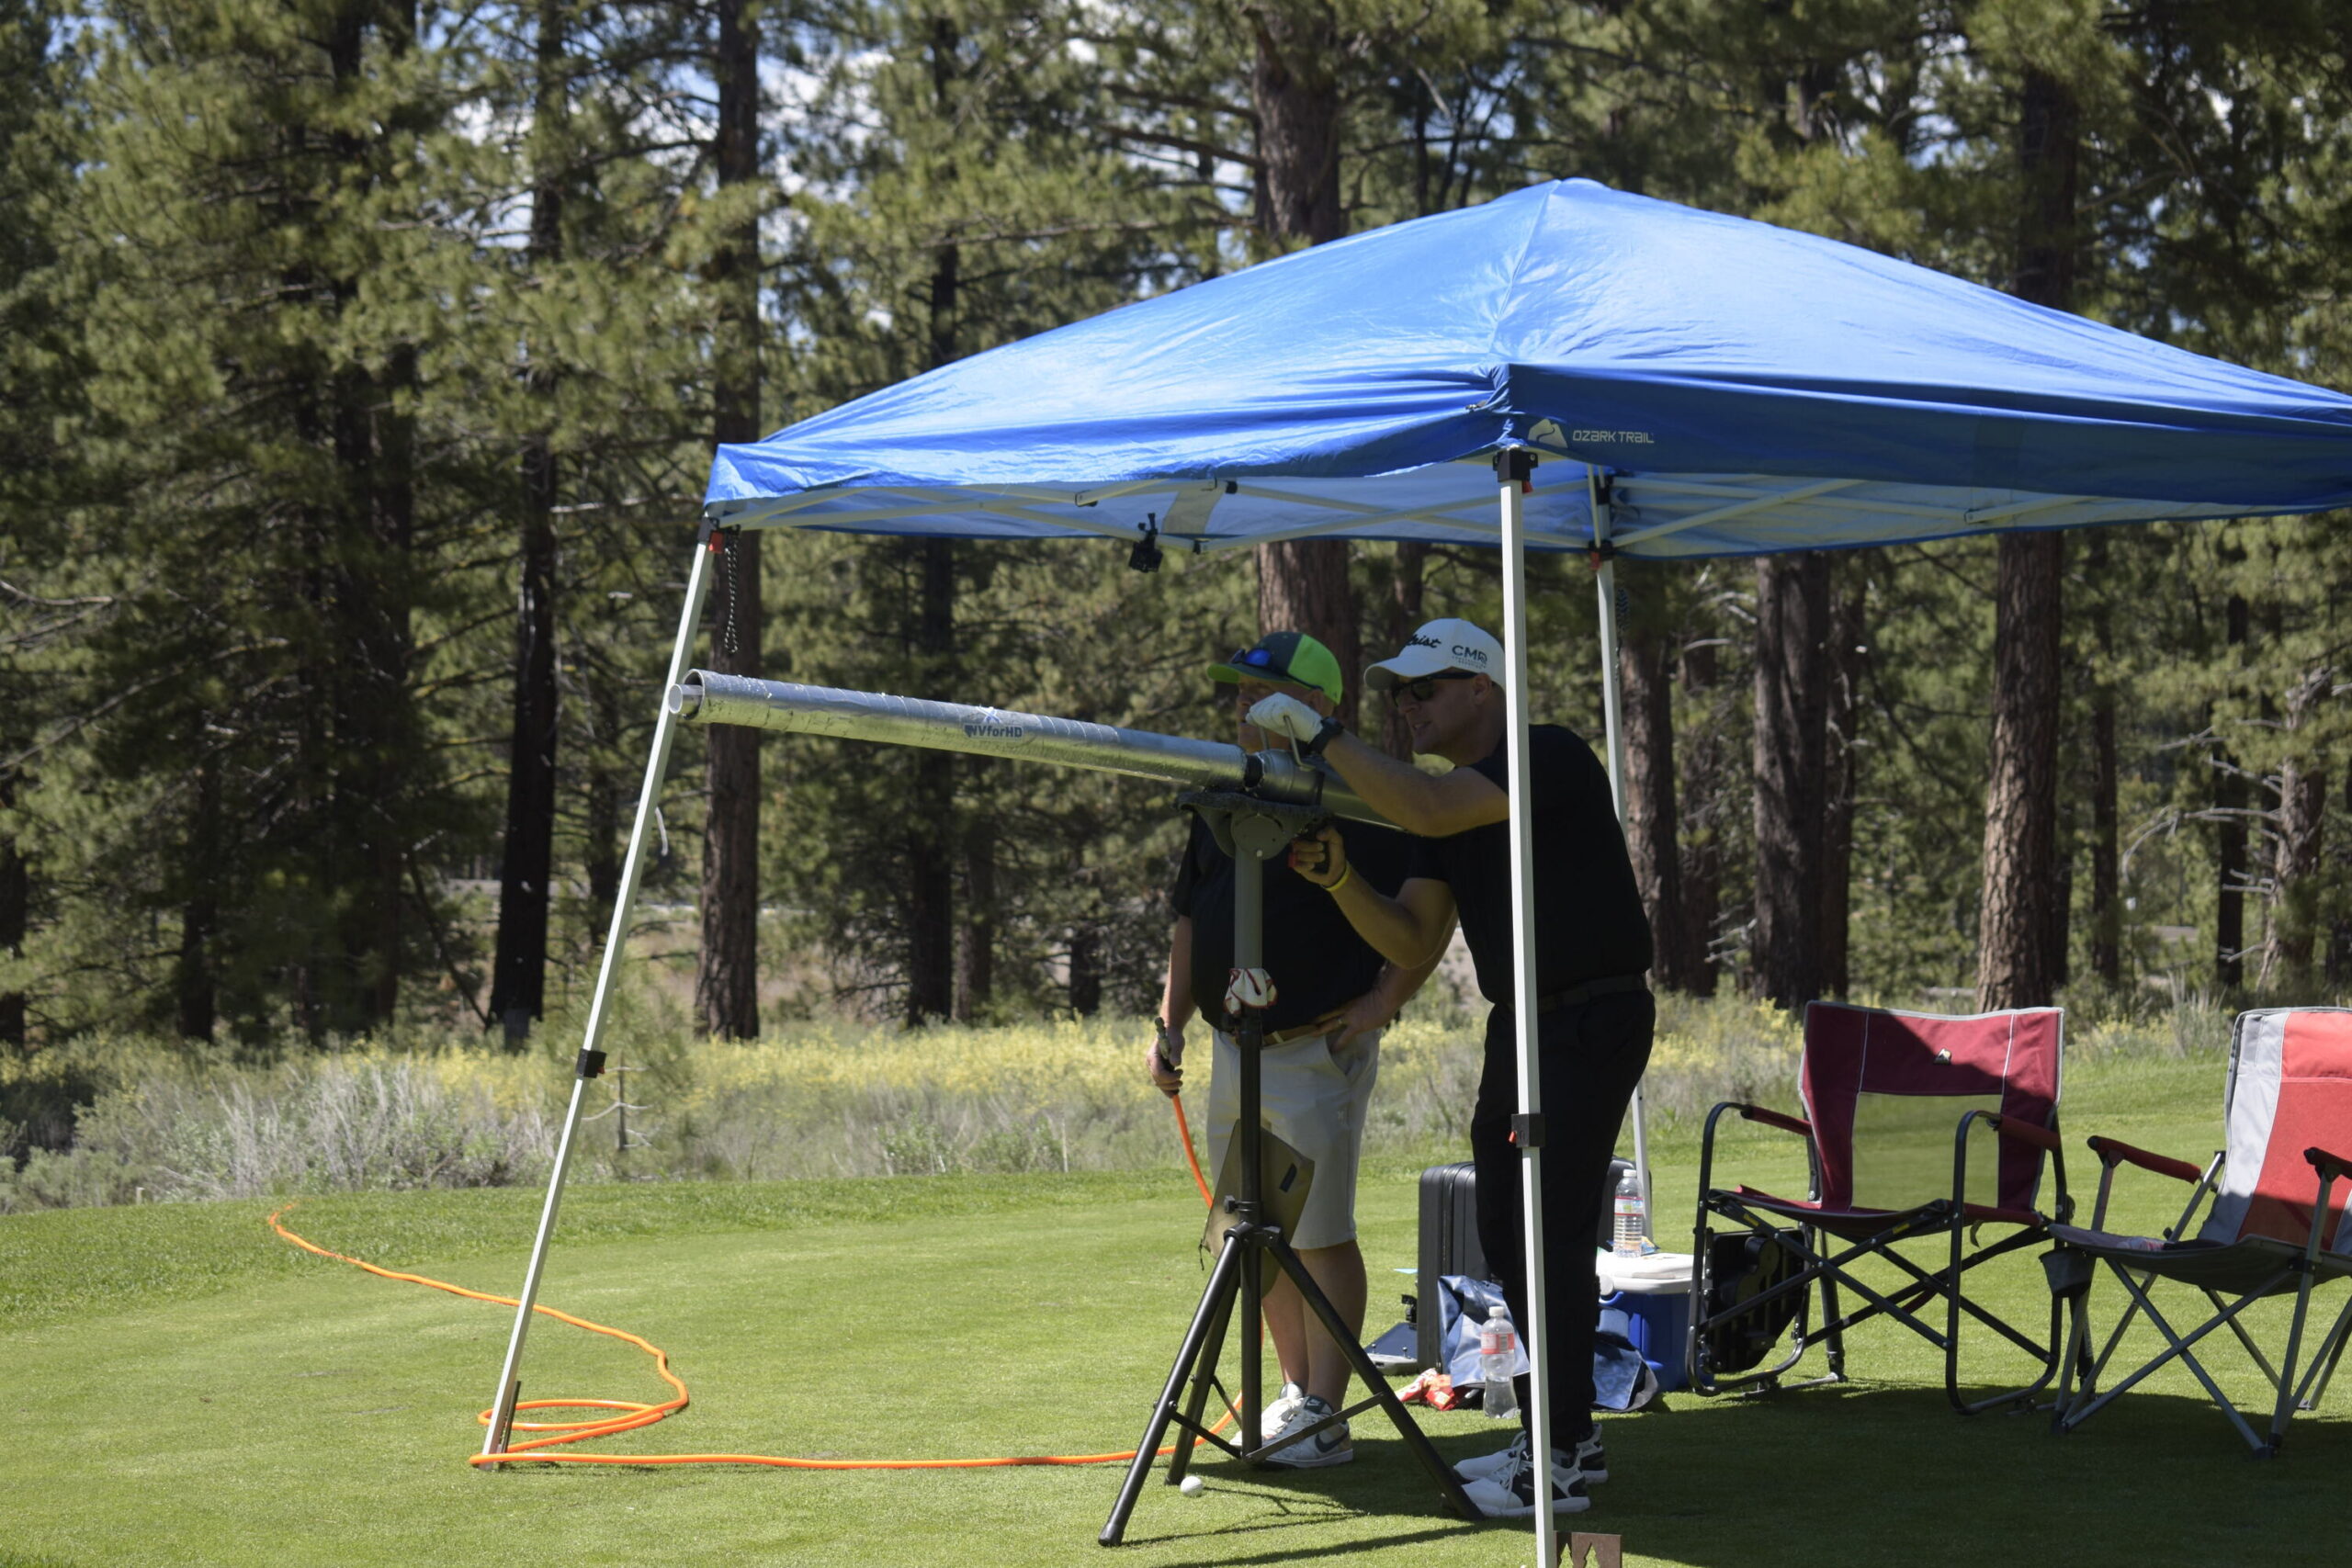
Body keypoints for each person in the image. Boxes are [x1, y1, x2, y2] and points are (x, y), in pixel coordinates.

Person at [1245, 616, 1653, 1518]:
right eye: (1400, 690)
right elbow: (1413, 939)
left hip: (1589, 1016)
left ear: (1482, 691)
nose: (1407, 704)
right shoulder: (1443, 801)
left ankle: (1562, 1453)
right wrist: (1340, 879)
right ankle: (1562, 1441)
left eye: (1424, 688)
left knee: (1545, 1235)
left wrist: (1322, 733)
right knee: (1510, 1233)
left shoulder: (1546, 754)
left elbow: (1425, 810)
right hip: (1525, 1028)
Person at [1146, 629, 1440, 1469]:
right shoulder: (1222, 791)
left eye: (1262, 693)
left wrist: (1386, 1000)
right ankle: (1294, 1388)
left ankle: (1327, 1413)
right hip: (1231, 1045)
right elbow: (1190, 917)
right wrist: (1168, 1023)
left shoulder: (1359, 796)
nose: (1243, 707)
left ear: (1319, 706)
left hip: (1315, 1047)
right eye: (1238, 693)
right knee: (1249, 1225)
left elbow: (1426, 917)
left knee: (1318, 1232)